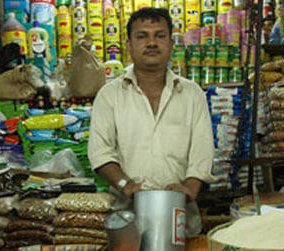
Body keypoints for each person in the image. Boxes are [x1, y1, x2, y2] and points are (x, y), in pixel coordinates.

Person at [88, 7, 215, 236]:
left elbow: (202, 150)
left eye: (160, 35)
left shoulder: (192, 93)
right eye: (142, 36)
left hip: (182, 220)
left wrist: (190, 188)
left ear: (171, 43)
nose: (152, 43)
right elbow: (100, 152)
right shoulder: (110, 95)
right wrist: (127, 185)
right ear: (129, 45)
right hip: (127, 221)